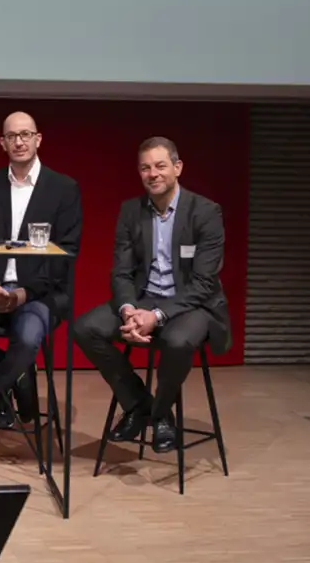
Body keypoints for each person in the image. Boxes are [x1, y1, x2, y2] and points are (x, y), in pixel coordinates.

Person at [73, 136, 229, 453]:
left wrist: (156, 317)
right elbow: (121, 271)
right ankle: (139, 404)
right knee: (85, 328)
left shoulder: (205, 212)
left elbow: (202, 283)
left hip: (192, 304)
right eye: (145, 168)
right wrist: (129, 310)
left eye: (160, 166)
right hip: (144, 298)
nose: (152, 174)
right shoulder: (132, 211)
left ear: (177, 167)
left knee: (177, 341)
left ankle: (161, 416)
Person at [0, 111, 82, 426]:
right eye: (11, 136)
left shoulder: (64, 187)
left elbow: (66, 253)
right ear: (2, 143)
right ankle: (17, 377)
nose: (19, 141)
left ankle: (2, 387)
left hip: (40, 294)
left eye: (25, 134)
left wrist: (24, 293)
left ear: (38, 139)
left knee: (28, 333)